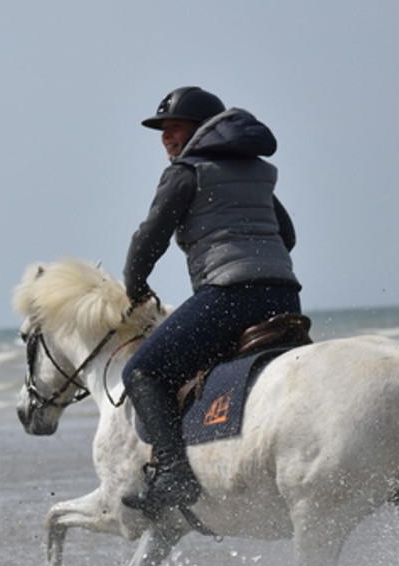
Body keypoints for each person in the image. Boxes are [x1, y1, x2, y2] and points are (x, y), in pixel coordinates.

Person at [121, 86, 301, 517]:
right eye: (162, 130)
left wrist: (135, 284)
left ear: (200, 129)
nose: (166, 137)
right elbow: (288, 236)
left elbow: (151, 237)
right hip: (284, 293)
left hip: (228, 294)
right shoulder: (255, 172)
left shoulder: (186, 172)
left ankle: (174, 473)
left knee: (142, 371)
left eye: (175, 127)